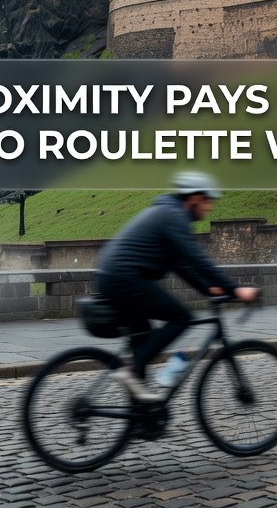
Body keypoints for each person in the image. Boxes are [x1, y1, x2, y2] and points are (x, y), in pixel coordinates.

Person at [96, 172, 259, 401]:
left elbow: (179, 262)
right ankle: (130, 371)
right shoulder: (173, 216)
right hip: (124, 278)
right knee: (181, 317)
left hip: (113, 276)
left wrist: (207, 288)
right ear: (194, 198)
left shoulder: (167, 213)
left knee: (143, 340)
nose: (210, 207)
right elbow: (196, 258)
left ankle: (141, 417)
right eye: (208, 200)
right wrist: (235, 289)